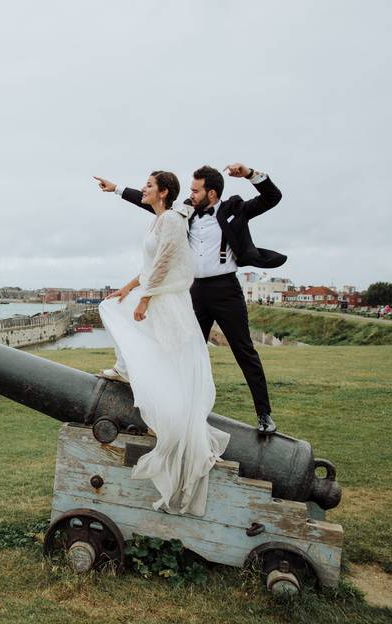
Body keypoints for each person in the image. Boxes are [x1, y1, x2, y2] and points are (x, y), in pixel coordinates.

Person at [94, 163, 285, 435]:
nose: (191, 194)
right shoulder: (185, 212)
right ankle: (181, 413)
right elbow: (154, 203)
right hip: (193, 292)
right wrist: (117, 189)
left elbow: (272, 198)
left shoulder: (235, 209)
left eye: (196, 191)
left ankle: (264, 414)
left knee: (244, 351)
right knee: (184, 352)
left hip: (226, 290)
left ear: (213, 193)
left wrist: (250, 175)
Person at [95, 170, 230, 516]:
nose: (144, 189)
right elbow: (149, 264)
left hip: (165, 300)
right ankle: (127, 370)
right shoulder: (159, 219)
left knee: (162, 351)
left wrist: (144, 299)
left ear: (164, 192)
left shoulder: (170, 218)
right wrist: (128, 289)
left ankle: (164, 410)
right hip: (152, 292)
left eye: (149, 185)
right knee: (112, 306)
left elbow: (167, 259)